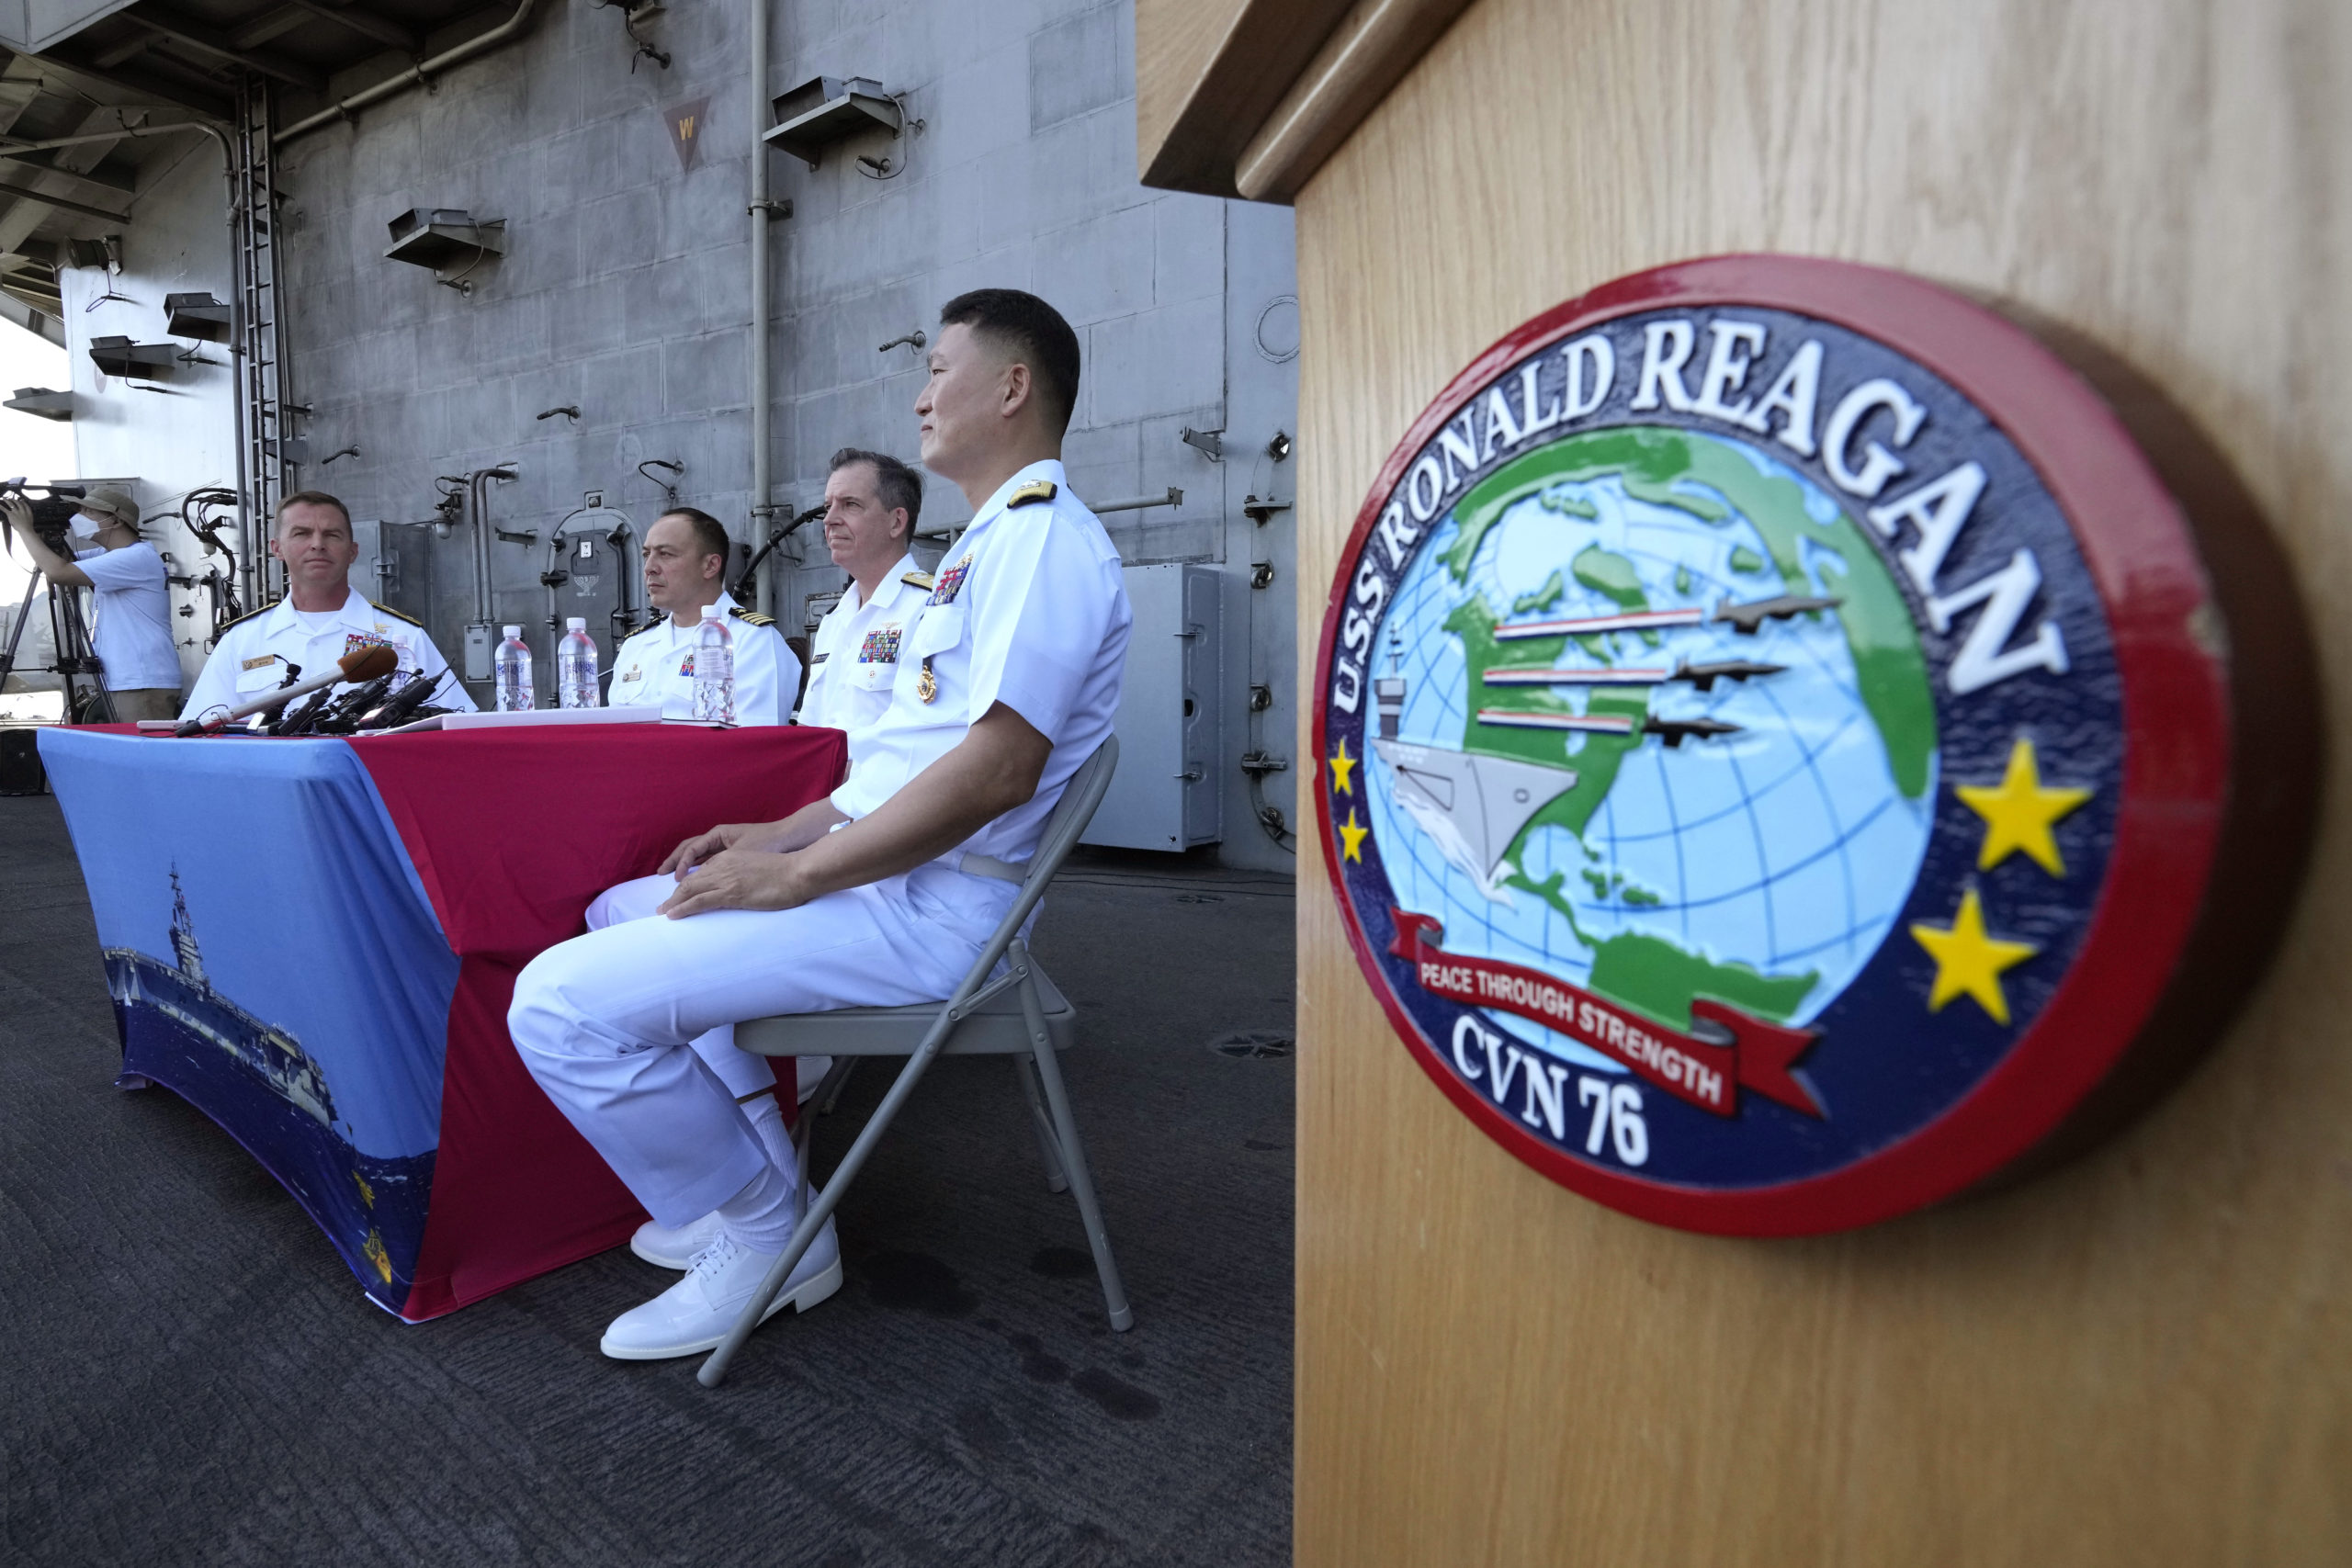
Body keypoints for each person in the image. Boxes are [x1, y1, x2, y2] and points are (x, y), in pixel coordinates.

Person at [509, 288, 1131, 1361]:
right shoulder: (988, 549)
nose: (921, 393)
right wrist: (773, 836)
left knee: (556, 1005)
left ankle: (767, 1232)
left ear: (1013, 387)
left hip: (941, 913)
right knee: (626, 905)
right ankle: (756, 1182)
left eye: (941, 370)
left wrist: (800, 880)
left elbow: (994, 772)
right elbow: (893, 771)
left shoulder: (1042, 545)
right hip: (894, 881)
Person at [181, 491, 473, 722]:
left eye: (332, 535)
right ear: (276, 549)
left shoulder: (403, 638)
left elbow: (454, 725)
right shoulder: (241, 641)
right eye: (302, 533)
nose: (317, 544)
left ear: (353, 551)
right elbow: (202, 728)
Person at [0, 484, 184, 721]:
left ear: (115, 520)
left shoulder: (134, 557)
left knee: (139, 755)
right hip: (131, 678)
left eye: (89, 512)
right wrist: (40, 528)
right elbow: (60, 561)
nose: (80, 517)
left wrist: (24, 529)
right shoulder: (110, 555)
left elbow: (59, 572)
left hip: (142, 680)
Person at [606, 507, 800, 724]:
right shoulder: (635, 647)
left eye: (665, 554)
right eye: (646, 555)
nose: (649, 567)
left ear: (710, 565)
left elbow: (757, 746)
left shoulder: (754, 642)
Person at [796, 447, 933, 732]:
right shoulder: (833, 621)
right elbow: (810, 728)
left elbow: (930, 736)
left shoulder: (928, 609)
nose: (829, 519)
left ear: (896, 521)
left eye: (850, 505)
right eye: (827, 506)